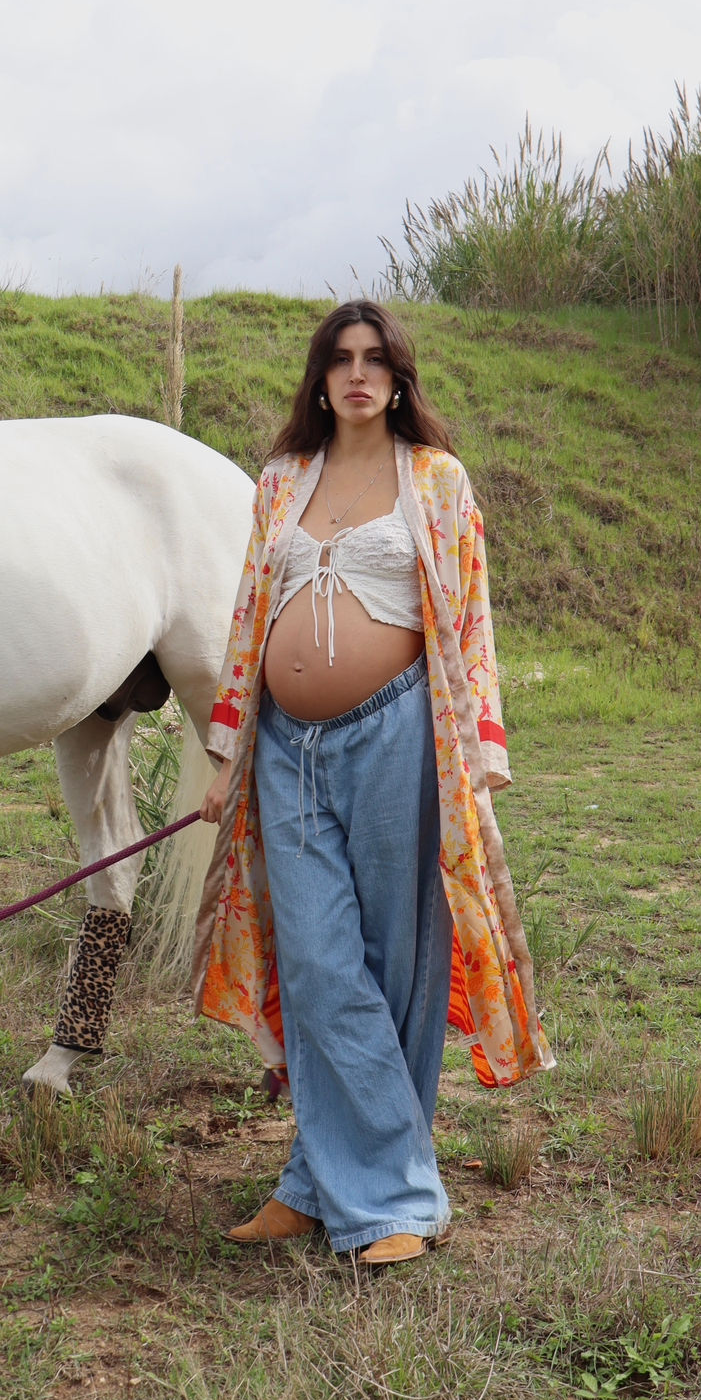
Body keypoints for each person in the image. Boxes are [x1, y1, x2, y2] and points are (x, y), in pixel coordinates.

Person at [193, 300, 554, 1265]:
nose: (358, 374)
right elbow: (245, 620)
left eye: (375, 359)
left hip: (397, 733)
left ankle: (336, 1186)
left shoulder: (435, 479)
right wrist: (225, 754)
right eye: (341, 359)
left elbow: (469, 615)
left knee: (394, 961)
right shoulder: (279, 483)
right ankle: (378, 1189)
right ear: (320, 378)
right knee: (315, 961)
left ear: (398, 378)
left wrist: (482, 751)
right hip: (285, 748)